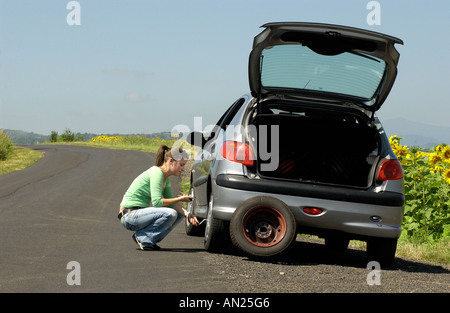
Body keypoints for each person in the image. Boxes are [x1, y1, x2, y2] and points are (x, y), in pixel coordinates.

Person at [118, 145, 199, 251]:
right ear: (171, 161)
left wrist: (188, 214)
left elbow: (172, 203)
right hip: (129, 216)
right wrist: (180, 199)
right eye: (181, 165)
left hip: (139, 215)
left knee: (178, 213)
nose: (183, 169)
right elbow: (157, 202)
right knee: (171, 213)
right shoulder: (157, 172)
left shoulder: (165, 178)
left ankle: (148, 239)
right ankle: (143, 237)